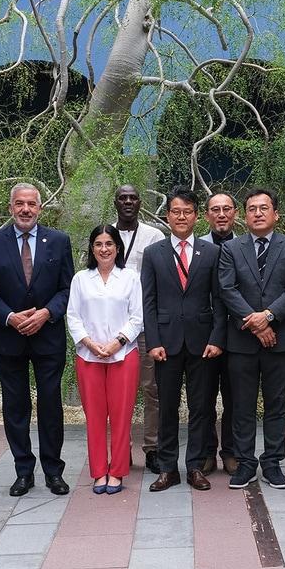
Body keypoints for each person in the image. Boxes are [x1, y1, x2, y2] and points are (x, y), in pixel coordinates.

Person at [0, 183, 75, 497]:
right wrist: (10, 317)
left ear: (40, 208)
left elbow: (67, 289)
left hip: (48, 337)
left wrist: (46, 313)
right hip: (9, 338)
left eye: (31, 204)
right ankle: (23, 472)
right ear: (11, 208)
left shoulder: (58, 241)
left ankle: (53, 471)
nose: (25, 209)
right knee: (15, 407)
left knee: (50, 406)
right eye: (19, 204)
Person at [217, 188, 285, 490]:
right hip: (241, 341)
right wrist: (255, 323)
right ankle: (245, 463)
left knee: (276, 404)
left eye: (263, 208)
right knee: (241, 404)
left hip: (279, 340)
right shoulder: (232, 248)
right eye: (252, 208)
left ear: (275, 214)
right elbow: (227, 290)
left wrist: (267, 317)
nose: (257, 213)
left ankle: (272, 463)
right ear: (244, 215)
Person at [143, 189, 226, 491]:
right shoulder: (154, 254)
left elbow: (219, 300)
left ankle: (195, 466)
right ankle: (168, 468)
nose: (181, 216)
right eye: (176, 211)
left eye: (187, 211)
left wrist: (217, 338)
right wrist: (153, 341)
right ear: (168, 216)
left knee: (201, 407)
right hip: (165, 343)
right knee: (166, 407)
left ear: (197, 215)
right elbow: (148, 301)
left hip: (202, 343)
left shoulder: (212, 252)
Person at [68, 226, 143, 494]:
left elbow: (137, 316)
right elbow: (73, 317)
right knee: (95, 417)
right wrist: (89, 342)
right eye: (98, 244)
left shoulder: (130, 277)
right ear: (91, 248)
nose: (104, 249)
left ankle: (117, 471)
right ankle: (99, 471)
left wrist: (117, 342)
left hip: (123, 355)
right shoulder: (81, 279)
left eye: (109, 243)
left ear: (118, 248)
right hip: (88, 356)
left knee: (121, 416)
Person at [113, 184, 166, 473]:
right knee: (118, 393)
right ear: (115, 202)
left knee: (151, 389)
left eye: (133, 198)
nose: (129, 202)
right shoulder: (105, 234)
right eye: (123, 198)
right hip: (112, 327)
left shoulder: (154, 235)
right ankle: (122, 450)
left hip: (145, 325)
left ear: (140, 202)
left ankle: (152, 448)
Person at [203, 191, 239, 475]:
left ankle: (230, 451)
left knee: (234, 397)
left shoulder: (244, 247)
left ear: (235, 213)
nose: (221, 214)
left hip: (238, 333)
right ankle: (205, 452)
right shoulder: (198, 248)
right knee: (202, 397)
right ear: (207, 215)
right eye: (215, 209)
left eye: (227, 209)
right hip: (203, 335)